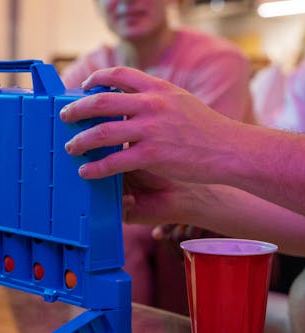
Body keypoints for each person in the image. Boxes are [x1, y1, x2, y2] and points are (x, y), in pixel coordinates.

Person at [59, 0, 305, 331]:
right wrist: (185, 198)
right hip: (249, 220)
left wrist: (219, 143)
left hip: (229, 235)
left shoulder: (218, 58)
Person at [61, 0, 252, 314]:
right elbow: (59, 137)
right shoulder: (89, 69)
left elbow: (207, 163)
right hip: (134, 202)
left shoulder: (219, 60)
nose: (126, 3)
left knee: (115, 233)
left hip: (213, 204)